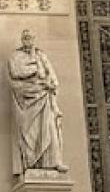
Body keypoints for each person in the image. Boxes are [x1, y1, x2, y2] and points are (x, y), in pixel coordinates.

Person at [8, 30, 67, 174]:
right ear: (22, 40)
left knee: (49, 127)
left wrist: (52, 84)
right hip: (28, 98)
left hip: (44, 95)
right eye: (26, 38)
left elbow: (51, 75)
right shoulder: (16, 56)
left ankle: (53, 161)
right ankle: (32, 161)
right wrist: (34, 69)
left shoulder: (42, 55)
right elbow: (16, 72)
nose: (28, 41)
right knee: (30, 132)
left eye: (30, 38)